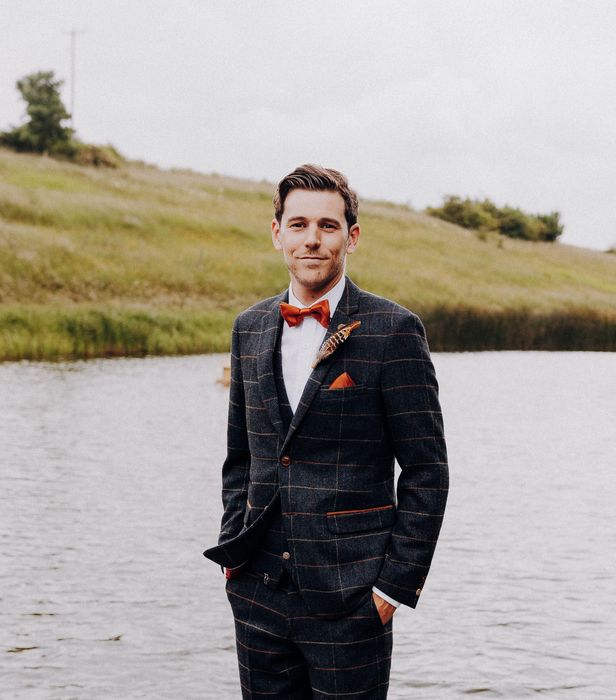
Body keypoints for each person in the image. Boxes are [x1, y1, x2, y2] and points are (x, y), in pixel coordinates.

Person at [204, 164, 449, 699]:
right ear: (277, 233)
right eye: (297, 225)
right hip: (258, 596)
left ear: (351, 237)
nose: (311, 239)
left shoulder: (394, 331)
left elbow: (427, 471)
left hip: (353, 601)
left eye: (327, 226)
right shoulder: (248, 327)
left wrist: (391, 588)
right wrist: (233, 555)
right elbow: (240, 457)